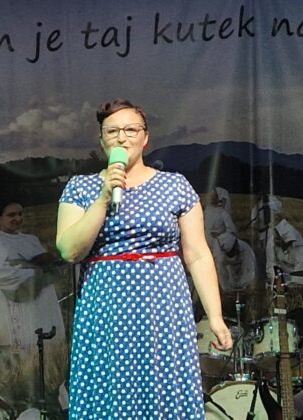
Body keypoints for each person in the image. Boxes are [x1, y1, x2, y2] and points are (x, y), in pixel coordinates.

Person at [56, 99, 232, 419]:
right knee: (109, 389)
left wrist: (215, 317)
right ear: (101, 140)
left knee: (164, 387)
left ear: (145, 137)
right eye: (112, 131)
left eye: (131, 129)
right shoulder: (81, 188)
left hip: (163, 307)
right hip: (106, 308)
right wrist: (103, 198)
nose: (122, 137)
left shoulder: (175, 186)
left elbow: (197, 255)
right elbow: (69, 250)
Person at [0, 201, 65, 348]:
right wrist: (31, 271)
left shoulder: (31, 240)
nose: (18, 218)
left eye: (20, 214)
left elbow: (47, 265)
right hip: (20, 299)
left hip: (44, 296)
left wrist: (40, 268)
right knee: (26, 340)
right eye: (11, 215)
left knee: (48, 337)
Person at [273, 219, 303, 285]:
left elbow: (301, 271)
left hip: (302, 270)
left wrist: (295, 283)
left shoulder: (300, 250)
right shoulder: (275, 246)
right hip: (286, 270)